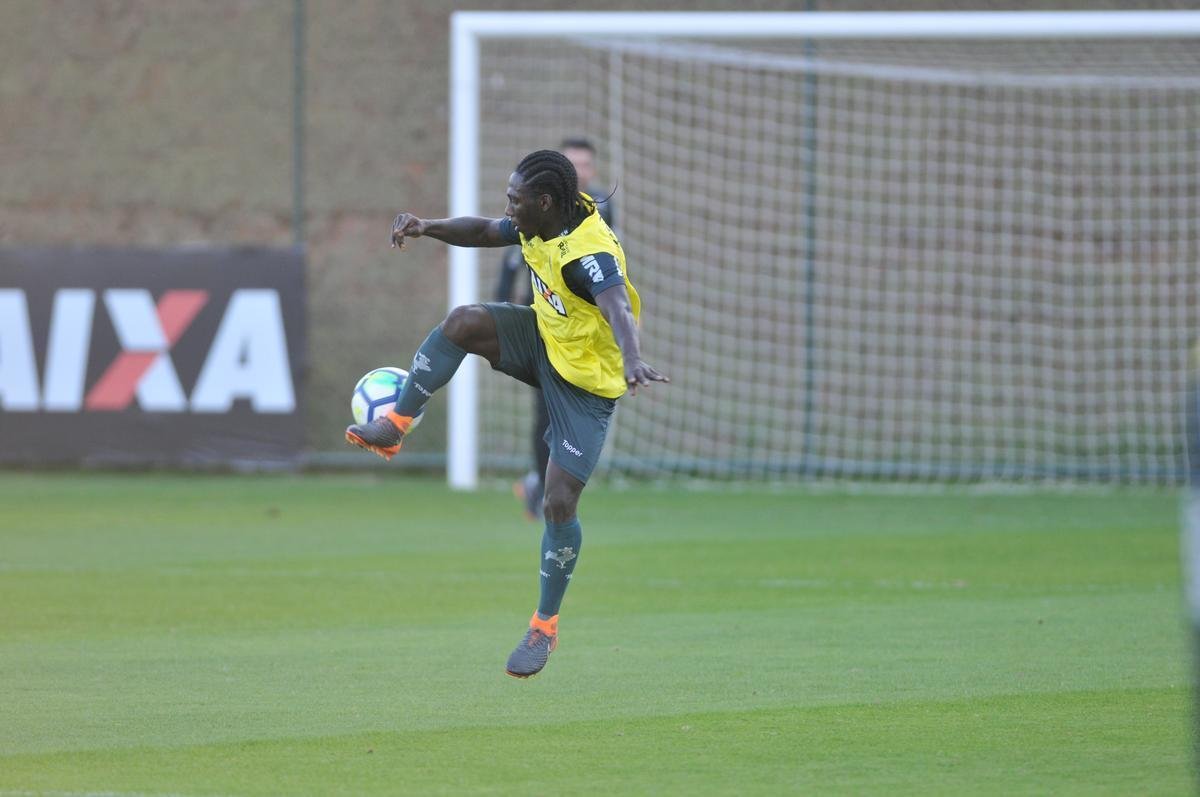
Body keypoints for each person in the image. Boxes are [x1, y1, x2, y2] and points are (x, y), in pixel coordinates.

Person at [346, 149, 668, 678]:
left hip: (586, 384)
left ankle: (543, 627)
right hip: (543, 338)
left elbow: (615, 303)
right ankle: (394, 427)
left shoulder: (586, 253)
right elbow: (484, 231)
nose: (508, 208)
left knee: (559, 502)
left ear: (543, 202)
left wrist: (633, 359)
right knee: (464, 322)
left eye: (515, 200)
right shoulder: (541, 220)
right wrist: (427, 226)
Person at [495, 138, 615, 520]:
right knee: (545, 413)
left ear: (593, 171)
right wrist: (503, 314)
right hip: (545, 330)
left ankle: (554, 487)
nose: (580, 170)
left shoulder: (600, 211)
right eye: (573, 163)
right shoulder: (534, 211)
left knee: (578, 412)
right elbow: (512, 262)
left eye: (586, 164)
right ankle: (539, 484)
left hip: (587, 337)